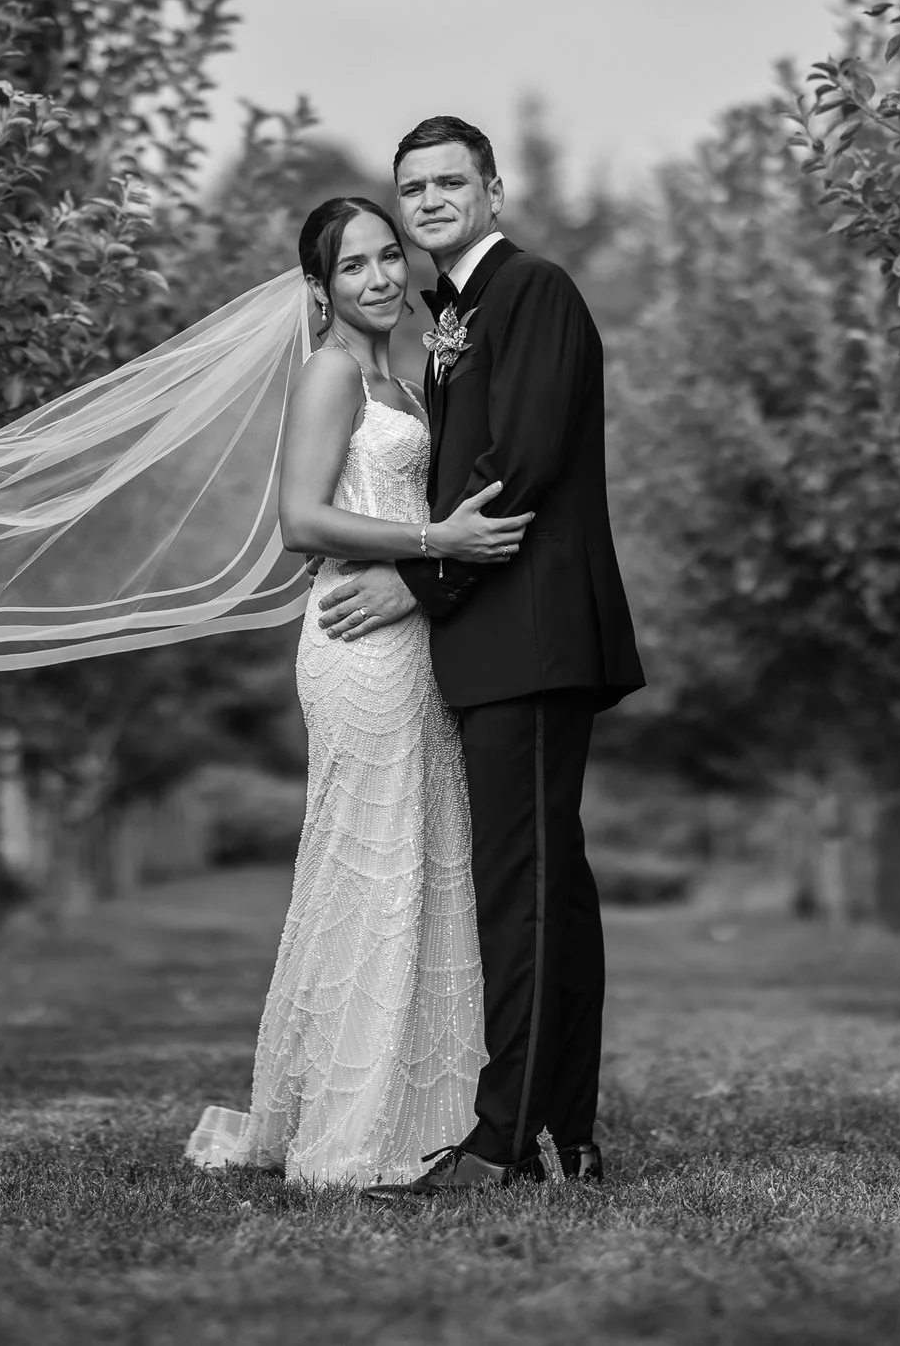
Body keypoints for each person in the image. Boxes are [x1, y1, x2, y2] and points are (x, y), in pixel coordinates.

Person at [319, 116, 644, 1201]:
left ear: (494, 191)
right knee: (549, 893)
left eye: (449, 180)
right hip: (498, 641)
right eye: (411, 186)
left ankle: (504, 1141)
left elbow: (521, 464)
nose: (428, 198)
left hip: (534, 633)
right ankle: (565, 1137)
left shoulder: (533, 289)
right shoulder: (455, 314)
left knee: (526, 895)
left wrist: (416, 580)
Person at [185, 195, 533, 1186]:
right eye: (354, 267)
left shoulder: (405, 376)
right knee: (370, 866)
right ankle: (353, 1124)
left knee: (413, 861)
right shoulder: (333, 369)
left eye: (390, 257)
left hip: (409, 632)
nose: (380, 277)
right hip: (355, 641)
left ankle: (419, 1104)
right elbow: (300, 517)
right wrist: (435, 540)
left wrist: (423, 569)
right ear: (319, 288)